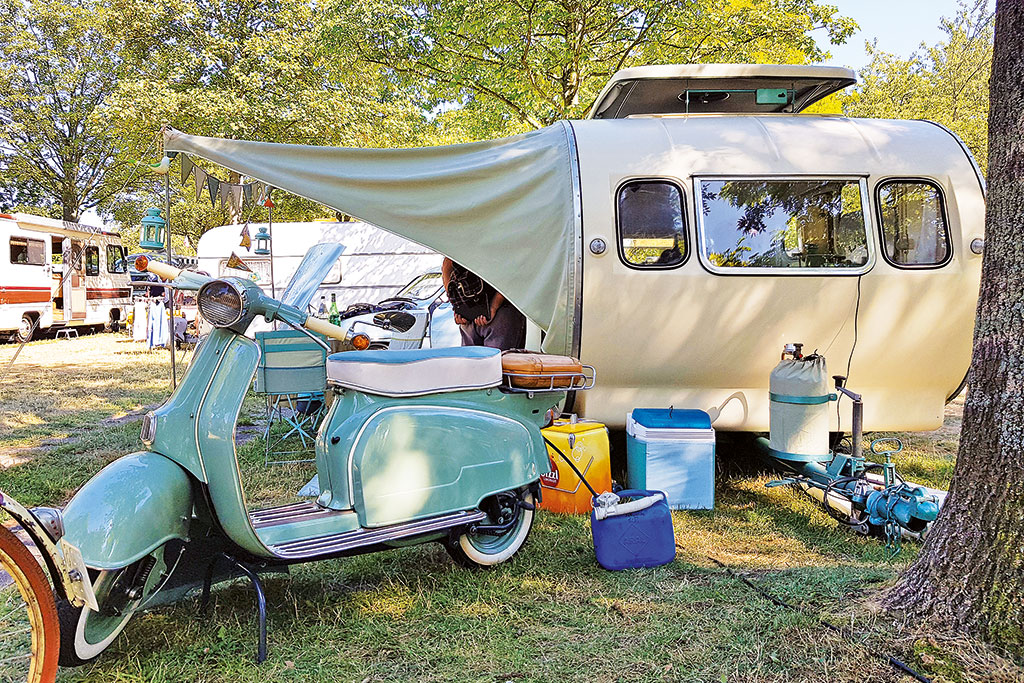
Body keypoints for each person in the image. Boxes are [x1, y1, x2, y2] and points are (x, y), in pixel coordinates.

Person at [441, 257, 526, 350]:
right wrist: (494, 306)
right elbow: (515, 271)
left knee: (471, 361)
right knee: (498, 361)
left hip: (470, 309)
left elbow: (447, 264)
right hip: (500, 310)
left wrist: (456, 301)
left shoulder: (458, 243)